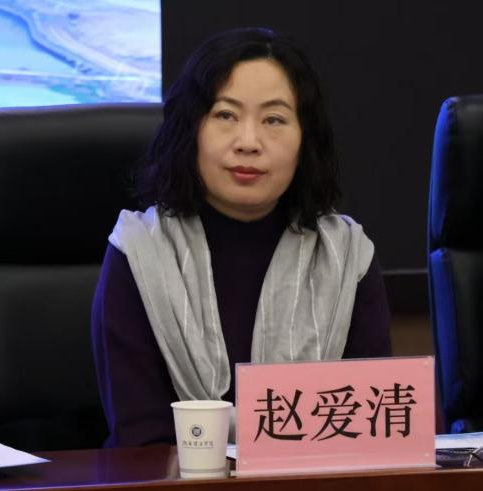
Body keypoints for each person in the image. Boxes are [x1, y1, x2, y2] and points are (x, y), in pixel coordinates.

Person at [91, 27, 391, 448]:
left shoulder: (345, 256)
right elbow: (141, 440)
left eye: (274, 120)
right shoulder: (140, 251)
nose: (248, 142)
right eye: (225, 115)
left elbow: (370, 433)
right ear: (191, 130)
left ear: (305, 140)